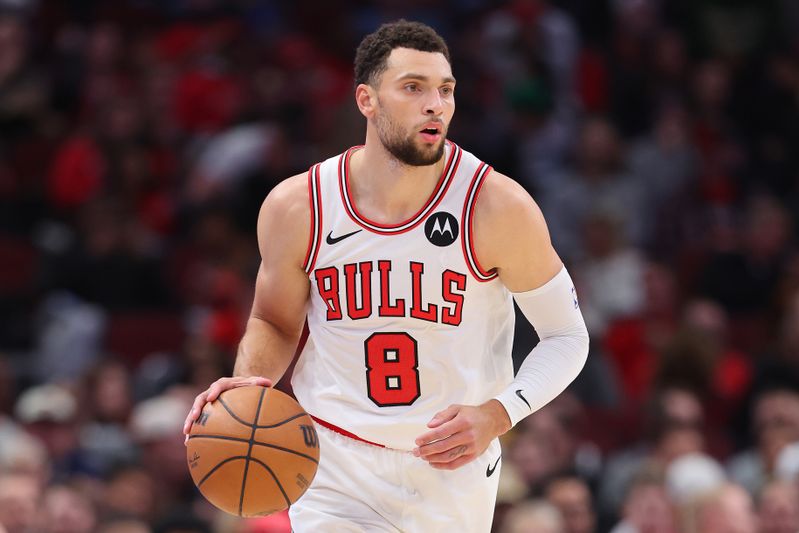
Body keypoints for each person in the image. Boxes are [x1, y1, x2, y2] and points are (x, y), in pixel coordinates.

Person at [183, 19, 589, 532]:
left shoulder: (496, 206)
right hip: (334, 462)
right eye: (413, 88)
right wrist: (248, 384)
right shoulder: (300, 206)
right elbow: (273, 319)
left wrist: (499, 413)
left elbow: (567, 336)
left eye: (445, 90)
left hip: (451, 470)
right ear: (366, 100)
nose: (435, 104)